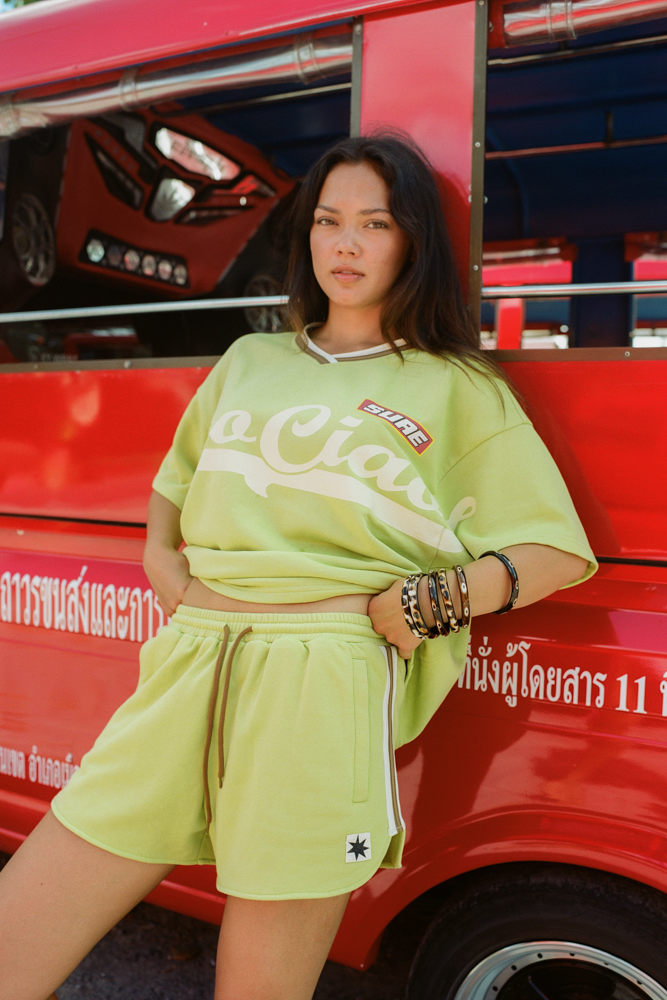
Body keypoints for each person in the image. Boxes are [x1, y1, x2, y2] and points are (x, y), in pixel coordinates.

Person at [0, 133, 596, 1000]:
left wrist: (436, 601)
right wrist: (163, 562)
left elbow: (554, 549)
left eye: (373, 223)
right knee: (22, 928)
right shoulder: (252, 360)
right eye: (327, 221)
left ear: (412, 243)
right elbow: (175, 482)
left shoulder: (456, 388)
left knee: (260, 985)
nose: (344, 245)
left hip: (325, 681)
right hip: (193, 658)